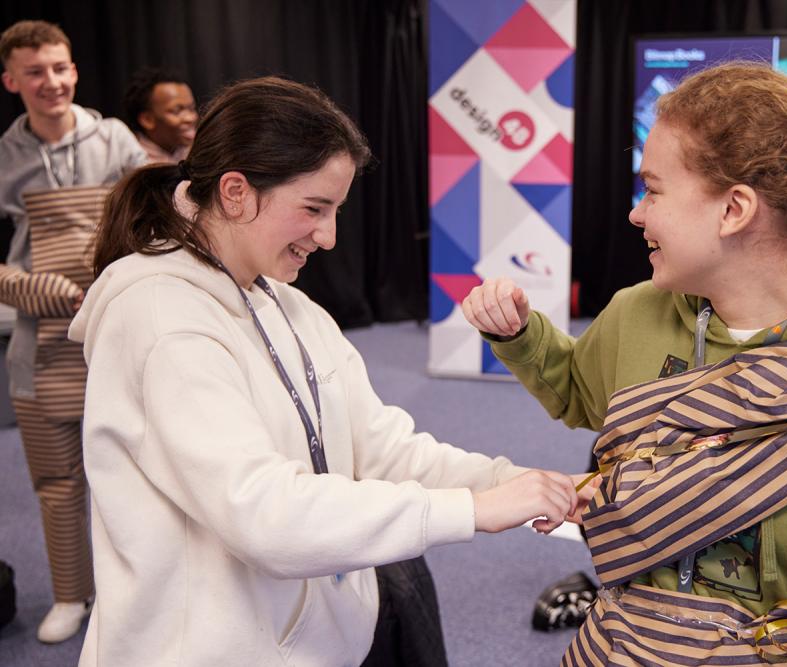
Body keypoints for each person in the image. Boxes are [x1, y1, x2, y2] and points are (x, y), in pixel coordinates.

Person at [463, 62, 787, 665]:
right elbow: (580, 393)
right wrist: (521, 336)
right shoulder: (636, 314)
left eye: (654, 190)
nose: (637, 213)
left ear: (734, 209)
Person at [67, 75, 591, 667]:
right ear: (235, 192)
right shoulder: (161, 321)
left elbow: (381, 449)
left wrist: (518, 483)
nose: (329, 236)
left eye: (336, 210)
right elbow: (265, 514)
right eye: (314, 208)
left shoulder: (290, 307)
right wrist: (473, 511)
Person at [0, 19, 146, 643]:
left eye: (60, 68)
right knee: (57, 482)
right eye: (34, 72)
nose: (51, 82)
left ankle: (138, 594)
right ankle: (70, 594)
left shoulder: (115, 140)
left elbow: (156, 217)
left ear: (75, 71)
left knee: (139, 475)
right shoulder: (4, 156)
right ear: (11, 81)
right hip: (39, 347)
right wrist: (40, 290)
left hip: (120, 335)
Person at [122, 66, 197, 163]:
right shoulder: (131, 161)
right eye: (177, 111)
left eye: (192, 109)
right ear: (147, 120)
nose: (191, 118)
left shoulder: (195, 153)